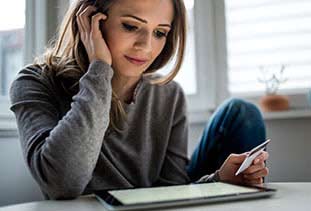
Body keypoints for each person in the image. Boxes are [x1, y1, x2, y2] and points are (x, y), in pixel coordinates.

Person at [9, 0, 269, 200]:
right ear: (89, 21)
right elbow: (62, 185)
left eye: (159, 33)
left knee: (241, 113)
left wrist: (219, 180)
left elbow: (172, 191)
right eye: (131, 26)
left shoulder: (169, 94)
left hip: (150, 205)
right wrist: (100, 68)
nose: (146, 46)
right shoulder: (35, 82)